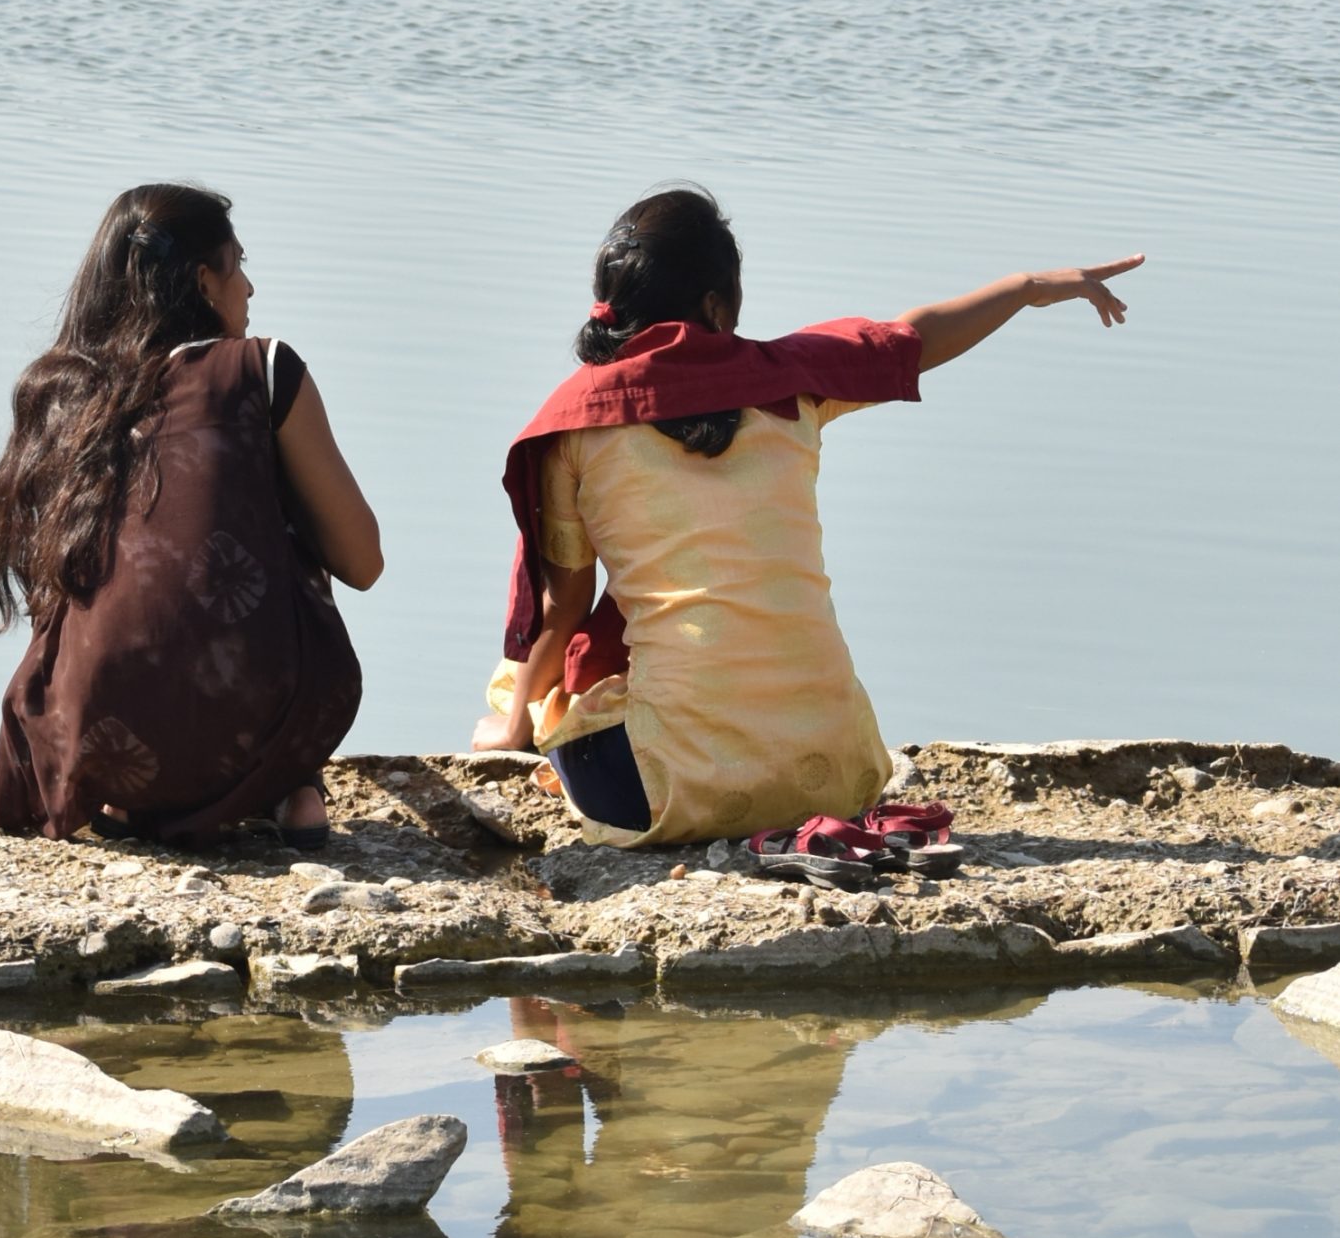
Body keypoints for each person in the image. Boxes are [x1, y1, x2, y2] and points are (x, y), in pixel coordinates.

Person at [473, 184, 1141, 851]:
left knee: (529, 685)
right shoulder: (790, 382)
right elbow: (910, 337)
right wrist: (1027, 286)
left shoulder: (577, 424)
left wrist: (510, 729)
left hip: (660, 793)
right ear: (715, 305)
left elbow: (561, 610)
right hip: (840, 775)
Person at [0, 181, 381, 845]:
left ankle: (140, 799)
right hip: (253, 718)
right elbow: (363, 563)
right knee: (273, 529)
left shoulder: (58, 389)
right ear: (201, 282)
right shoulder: (262, 368)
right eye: (239, 265)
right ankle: (292, 784)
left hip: (92, 737)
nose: (248, 288)